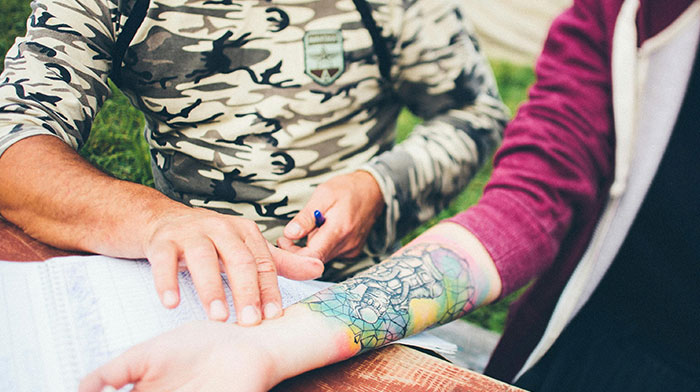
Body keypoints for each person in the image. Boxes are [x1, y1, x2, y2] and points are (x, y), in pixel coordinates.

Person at [45, 0, 700, 392]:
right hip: (585, 360)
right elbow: (530, 204)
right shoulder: (625, 15)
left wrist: (379, 187)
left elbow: (473, 111)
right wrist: (257, 347)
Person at [0, 0, 507, 325]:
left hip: (354, 295)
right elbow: (13, 135)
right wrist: (155, 220)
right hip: (189, 295)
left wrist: (380, 186)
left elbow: (475, 111)